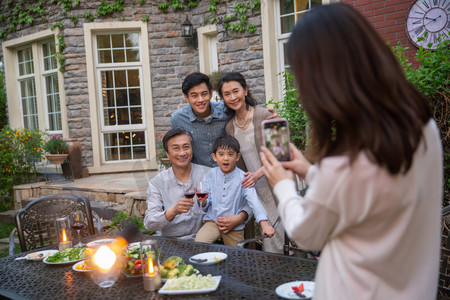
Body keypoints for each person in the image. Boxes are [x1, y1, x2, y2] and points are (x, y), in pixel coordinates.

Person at [260, 4, 442, 299]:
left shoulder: (347, 162)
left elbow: (307, 233)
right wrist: (310, 171)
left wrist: (283, 185)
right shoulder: (420, 126)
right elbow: (370, 192)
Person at [217, 72, 284, 253]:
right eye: (227, 94)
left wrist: (257, 174)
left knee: (273, 244)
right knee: (250, 243)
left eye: (236, 91)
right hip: (250, 191)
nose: (232, 97)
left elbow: (281, 153)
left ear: (245, 91)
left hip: (273, 188)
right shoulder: (229, 127)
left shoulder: (266, 115)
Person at [144, 128, 249, 240]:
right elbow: (149, 223)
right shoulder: (157, 183)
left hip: (202, 241)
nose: (182, 153)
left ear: (192, 150)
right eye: (176, 148)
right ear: (168, 154)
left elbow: (247, 197)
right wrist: (173, 211)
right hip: (170, 242)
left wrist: (241, 216)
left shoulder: (210, 174)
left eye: (186, 147)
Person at [171, 72, 278, 168]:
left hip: (242, 179)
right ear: (186, 98)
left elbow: (281, 153)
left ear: (211, 94)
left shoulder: (227, 111)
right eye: (194, 96)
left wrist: (278, 124)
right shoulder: (178, 119)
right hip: (202, 182)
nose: (200, 100)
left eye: (204, 94)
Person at [195, 135, 275, 246]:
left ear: (237, 157)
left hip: (234, 226)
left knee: (237, 255)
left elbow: (254, 201)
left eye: (230, 154)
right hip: (213, 221)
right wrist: (202, 201)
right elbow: (205, 202)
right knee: (199, 243)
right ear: (214, 157)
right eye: (221, 154)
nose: (226, 158)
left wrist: (264, 223)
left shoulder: (243, 177)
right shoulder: (210, 175)